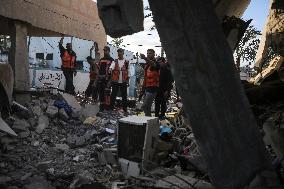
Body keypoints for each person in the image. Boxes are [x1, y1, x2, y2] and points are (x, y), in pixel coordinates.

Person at [140, 49, 160, 116]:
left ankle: (149, 120)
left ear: (154, 54)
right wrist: (142, 89)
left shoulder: (156, 64)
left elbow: (153, 64)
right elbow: (145, 77)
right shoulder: (147, 65)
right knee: (147, 107)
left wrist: (145, 58)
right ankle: (148, 121)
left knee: (145, 106)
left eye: (150, 53)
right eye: (147, 53)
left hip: (153, 88)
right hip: (147, 88)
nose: (148, 54)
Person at [109, 48, 129, 113]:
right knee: (113, 95)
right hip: (115, 81)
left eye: (120, 52)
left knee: (124, 96)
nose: (119, 53)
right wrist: (110, 69)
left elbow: (128, 71)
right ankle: (111, 109)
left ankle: (125, 109)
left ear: (123, 53)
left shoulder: (126, 62)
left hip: (123, 81)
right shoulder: (115, 61)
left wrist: (127, 80)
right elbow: (111, 67)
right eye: (118, 52)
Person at [97, 46, 114, 111]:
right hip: (101, 80)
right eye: (104, 50)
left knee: (107, 95)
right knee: (101, 94)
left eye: (106, 50)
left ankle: (107, 108)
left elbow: (113, 72)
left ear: (109, 51)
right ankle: (101, 108)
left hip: (107, 80)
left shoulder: (112, 60)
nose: (104, 52)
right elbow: (99, 70)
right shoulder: (101, 60)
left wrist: (110, 81)